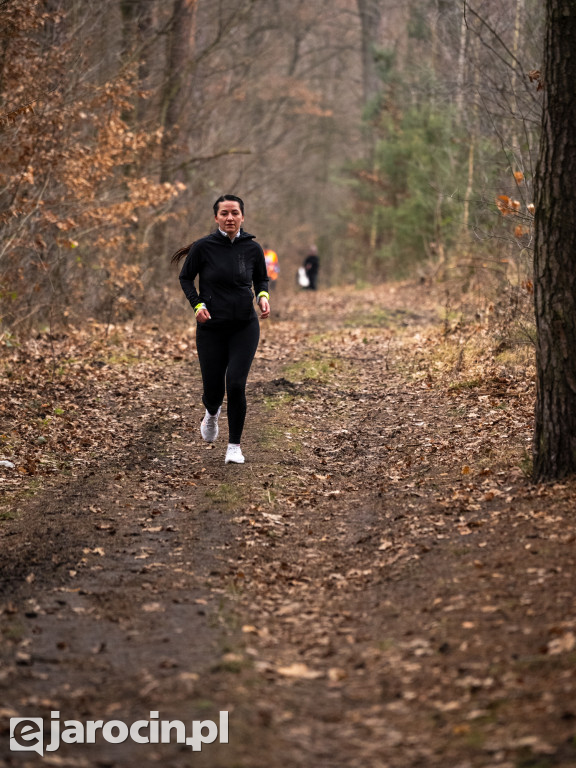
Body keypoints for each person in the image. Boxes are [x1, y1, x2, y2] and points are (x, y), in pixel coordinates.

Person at [171, 194, 270, 465]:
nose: (230, 218)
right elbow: (186, 278)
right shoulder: (203, 247)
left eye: (234, 213)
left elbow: (261, 278)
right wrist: (197, 304)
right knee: (213, 391)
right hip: (211, 327)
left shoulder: (252, 248)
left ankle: (234, 447)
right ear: (216, 217)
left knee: (236, 384)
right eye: (224, 213)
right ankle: (211, 413)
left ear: (242, 217)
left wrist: (263, 296)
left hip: (244, 326)